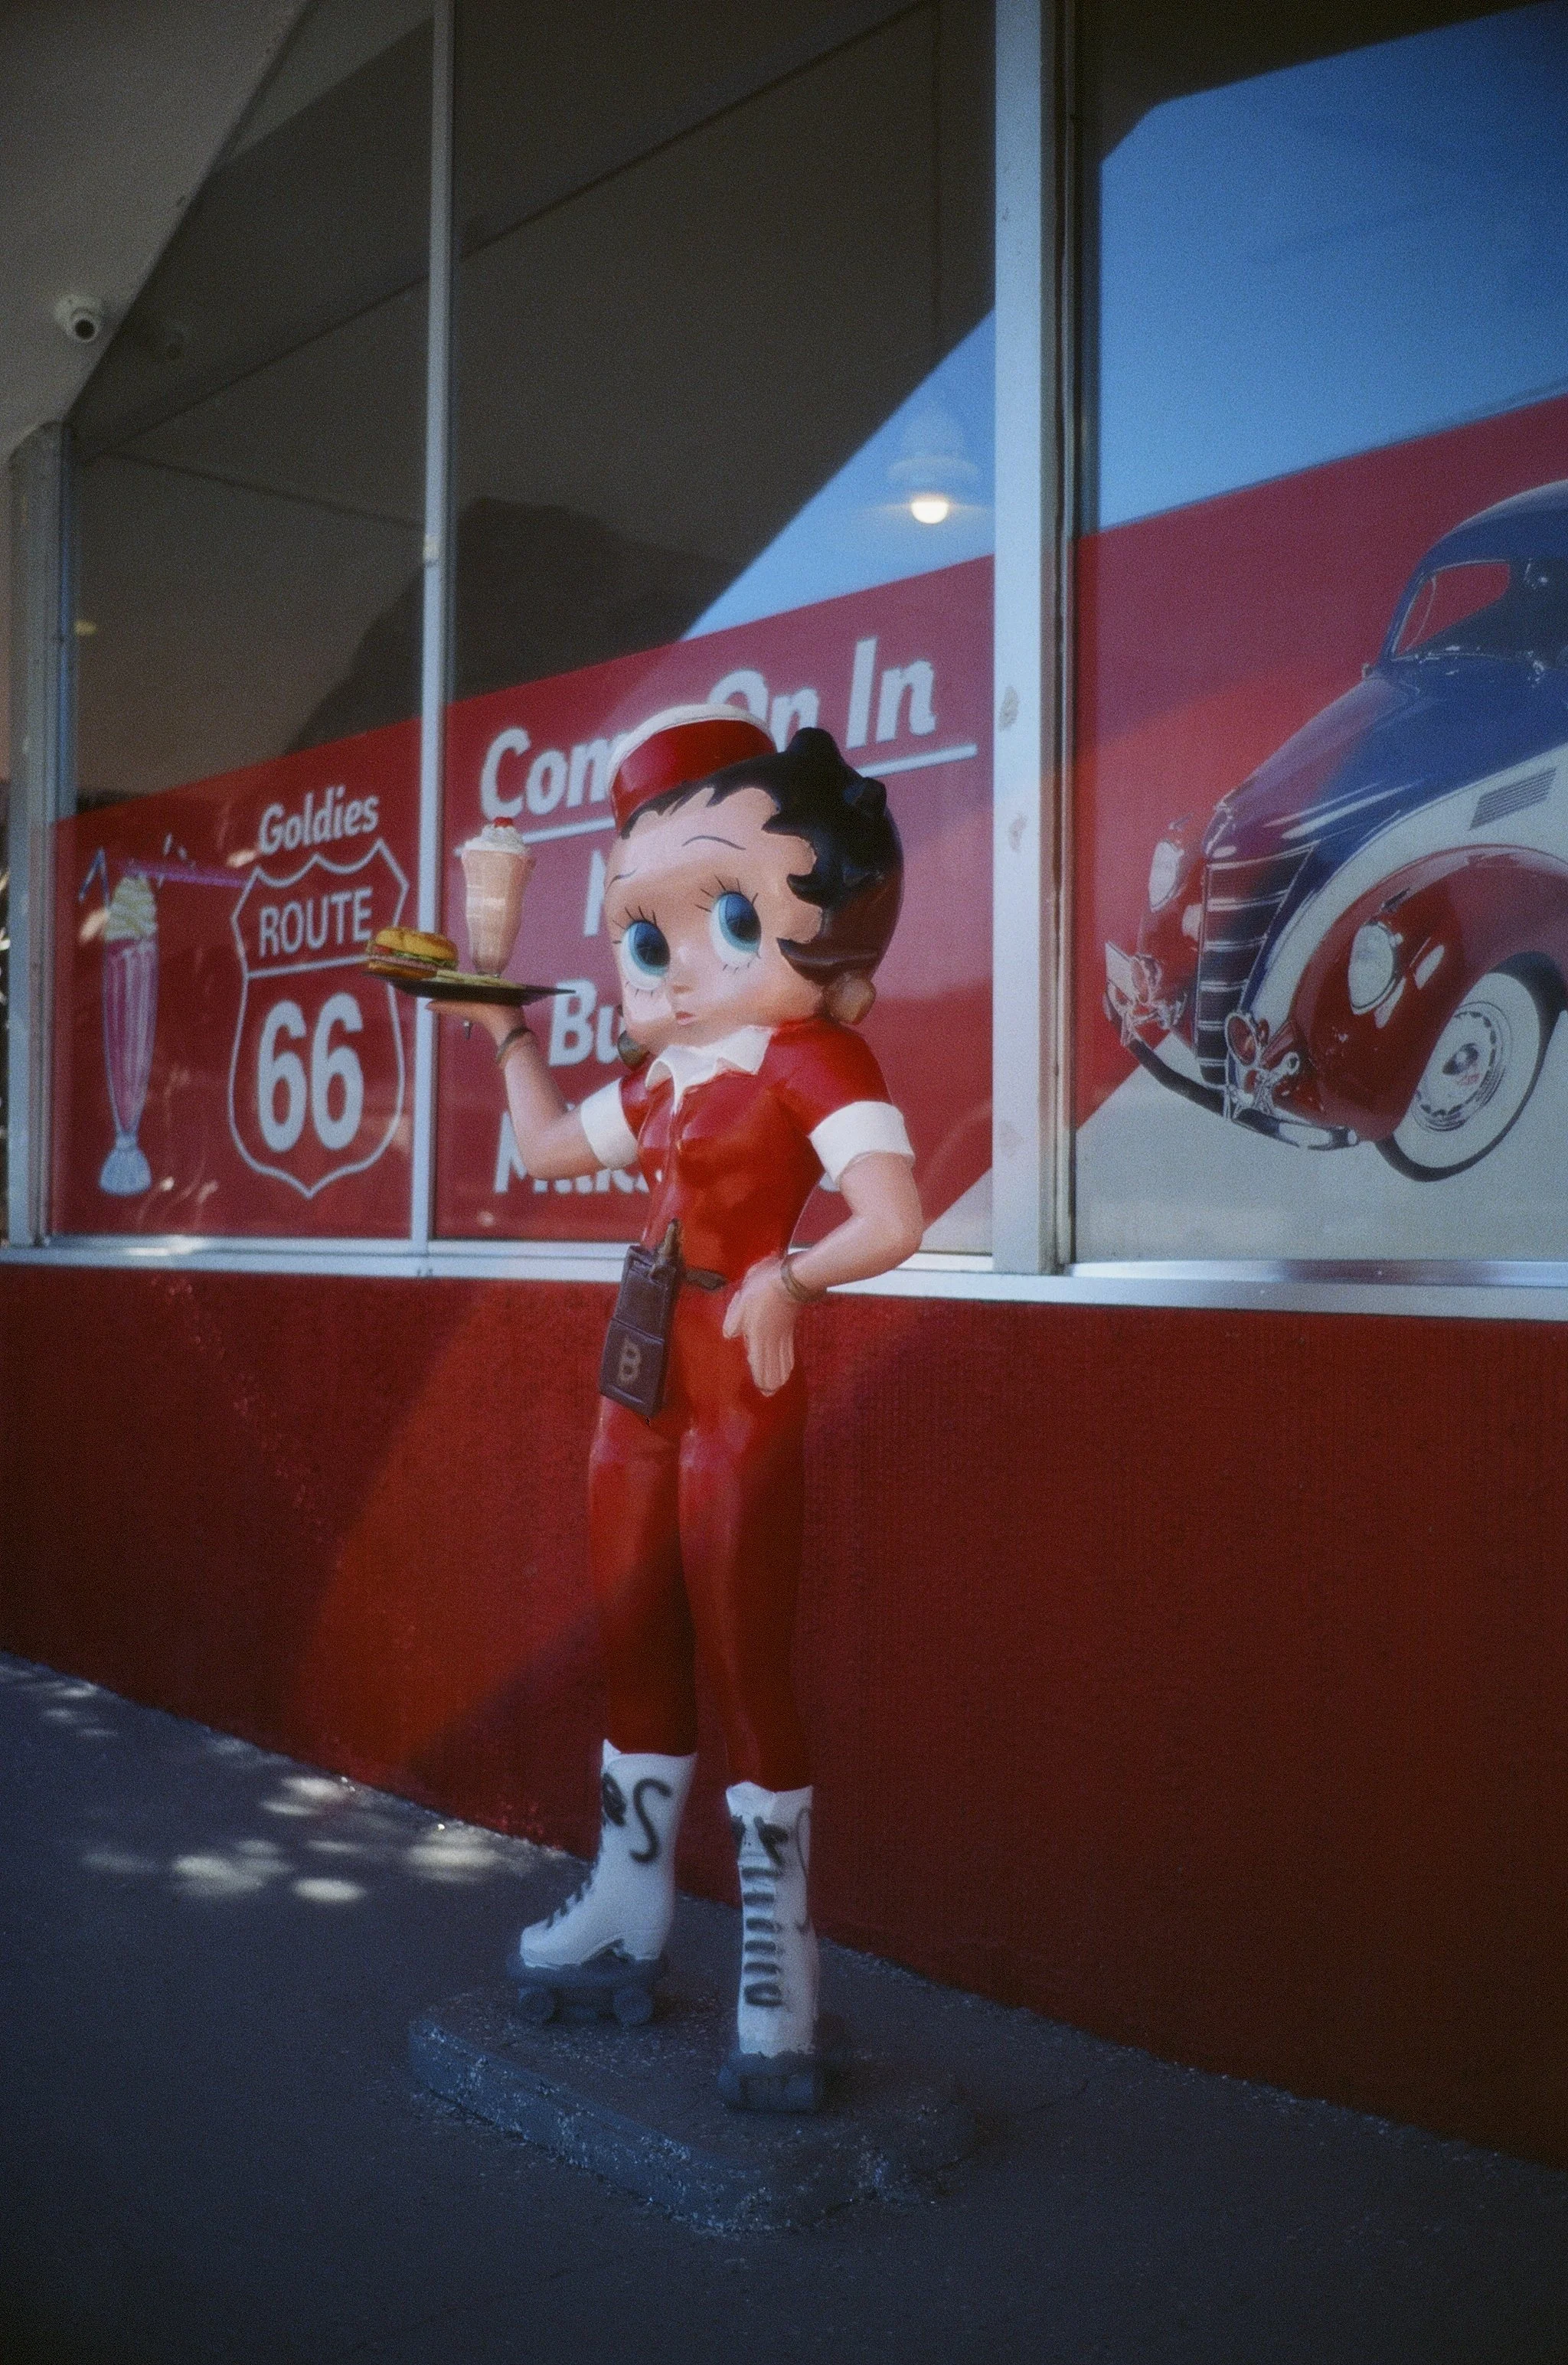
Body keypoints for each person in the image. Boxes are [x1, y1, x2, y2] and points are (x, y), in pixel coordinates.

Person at [442, 704, 922, 2109]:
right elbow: (540, 1149)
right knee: (633, 1634)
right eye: (646, 937)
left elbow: (892, 1213)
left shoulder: (809, 1062)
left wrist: (792, 1277)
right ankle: (627, 1901)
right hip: (637, 1379)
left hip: (737, 1384)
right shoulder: (661, 1078)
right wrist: (500, 1027)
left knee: (744, 1654)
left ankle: (781, 1958)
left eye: (721, 914)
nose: (677, 963)